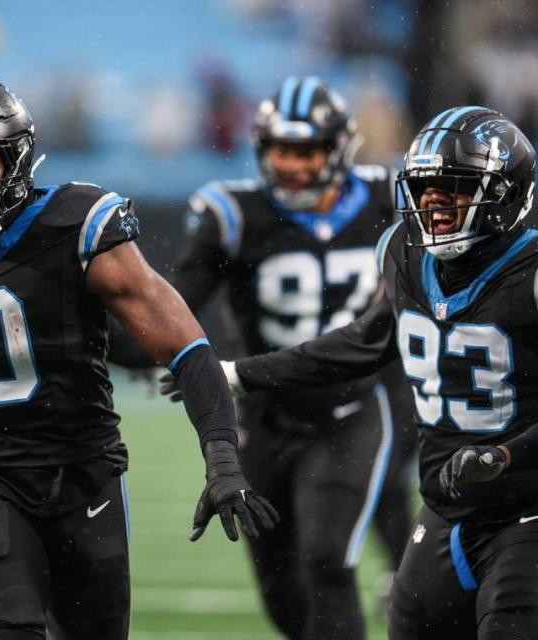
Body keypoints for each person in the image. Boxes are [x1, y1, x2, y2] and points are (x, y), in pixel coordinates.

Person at [0, 75, 278, 640]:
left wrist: (221, 459)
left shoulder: (76, 224)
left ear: (17, 161)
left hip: (84, 476)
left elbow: (188, 350)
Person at [221, 106, 538, 638]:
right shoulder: (402, 252)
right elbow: (364, 342)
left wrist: (507, 454)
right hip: (447, 508)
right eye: (425, 188)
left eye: (453, 188)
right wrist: (243, 373)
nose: (433, 204)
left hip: (527, 506)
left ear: (506, 194)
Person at [158, 77, 405, 639]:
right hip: (262, 417)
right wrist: (160, 350)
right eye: (280, 151)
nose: (292, 165)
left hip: (351, 409)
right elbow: (175, 304)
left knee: (327, 561)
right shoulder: (235, 213)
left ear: (338, 150)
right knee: (280, 584)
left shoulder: (388, 198)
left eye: (306, 151)